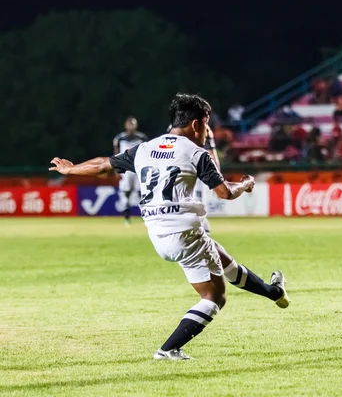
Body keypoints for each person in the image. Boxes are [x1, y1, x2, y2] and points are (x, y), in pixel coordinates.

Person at [50, 93, 290, 360]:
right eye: (207, 125)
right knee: (214, 297)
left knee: (222, 259)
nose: (206, 132)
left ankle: (274, 292)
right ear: (197, 124)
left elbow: (103, 165)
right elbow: (224, 192)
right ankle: (168, 349)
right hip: (185, 232)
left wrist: (71, 170)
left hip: (158, 234)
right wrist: (245, 184)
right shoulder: (196, 153)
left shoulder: (144, 148)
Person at [113, 116, 148, 226]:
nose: (131, 126)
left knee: (143, 192)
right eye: (129, 124)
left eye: (133, 124)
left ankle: (146, 216)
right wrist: (116, 169)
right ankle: (127, 218)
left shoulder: (142, 138)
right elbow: (116, 154)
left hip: (139, 169)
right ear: (126, 125)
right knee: (126, 192)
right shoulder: (119, 138)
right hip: (126, 170)